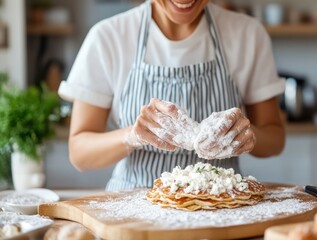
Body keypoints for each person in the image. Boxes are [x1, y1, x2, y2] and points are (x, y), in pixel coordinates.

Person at [58, 0, 286, 191]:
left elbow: (274, 139)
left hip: (220, 204)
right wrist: (133, 135)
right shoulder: (109, 37)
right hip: (132, 209)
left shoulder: (247, 35)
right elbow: (80, 152)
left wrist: (245, 135)